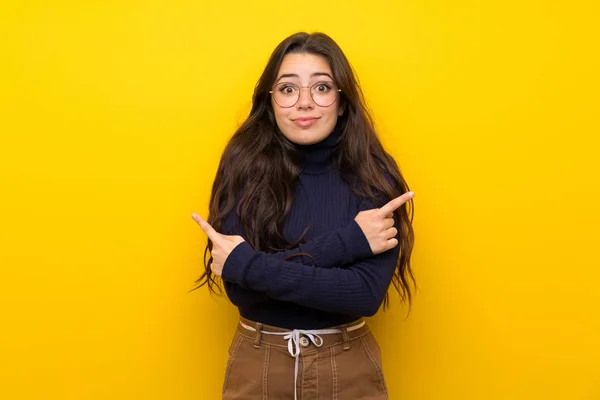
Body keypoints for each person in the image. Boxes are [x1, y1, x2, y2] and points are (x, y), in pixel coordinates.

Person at [192, 32, 415, 400]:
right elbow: (241, 291)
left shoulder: (376, 176)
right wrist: (351, 242)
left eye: (322, 88)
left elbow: (363, 295)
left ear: (342, 102)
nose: (305, 103)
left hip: (347, 368)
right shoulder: (242, 167)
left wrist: (249, 265)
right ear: (271, 101)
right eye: (288, 89)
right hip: (257, 365)